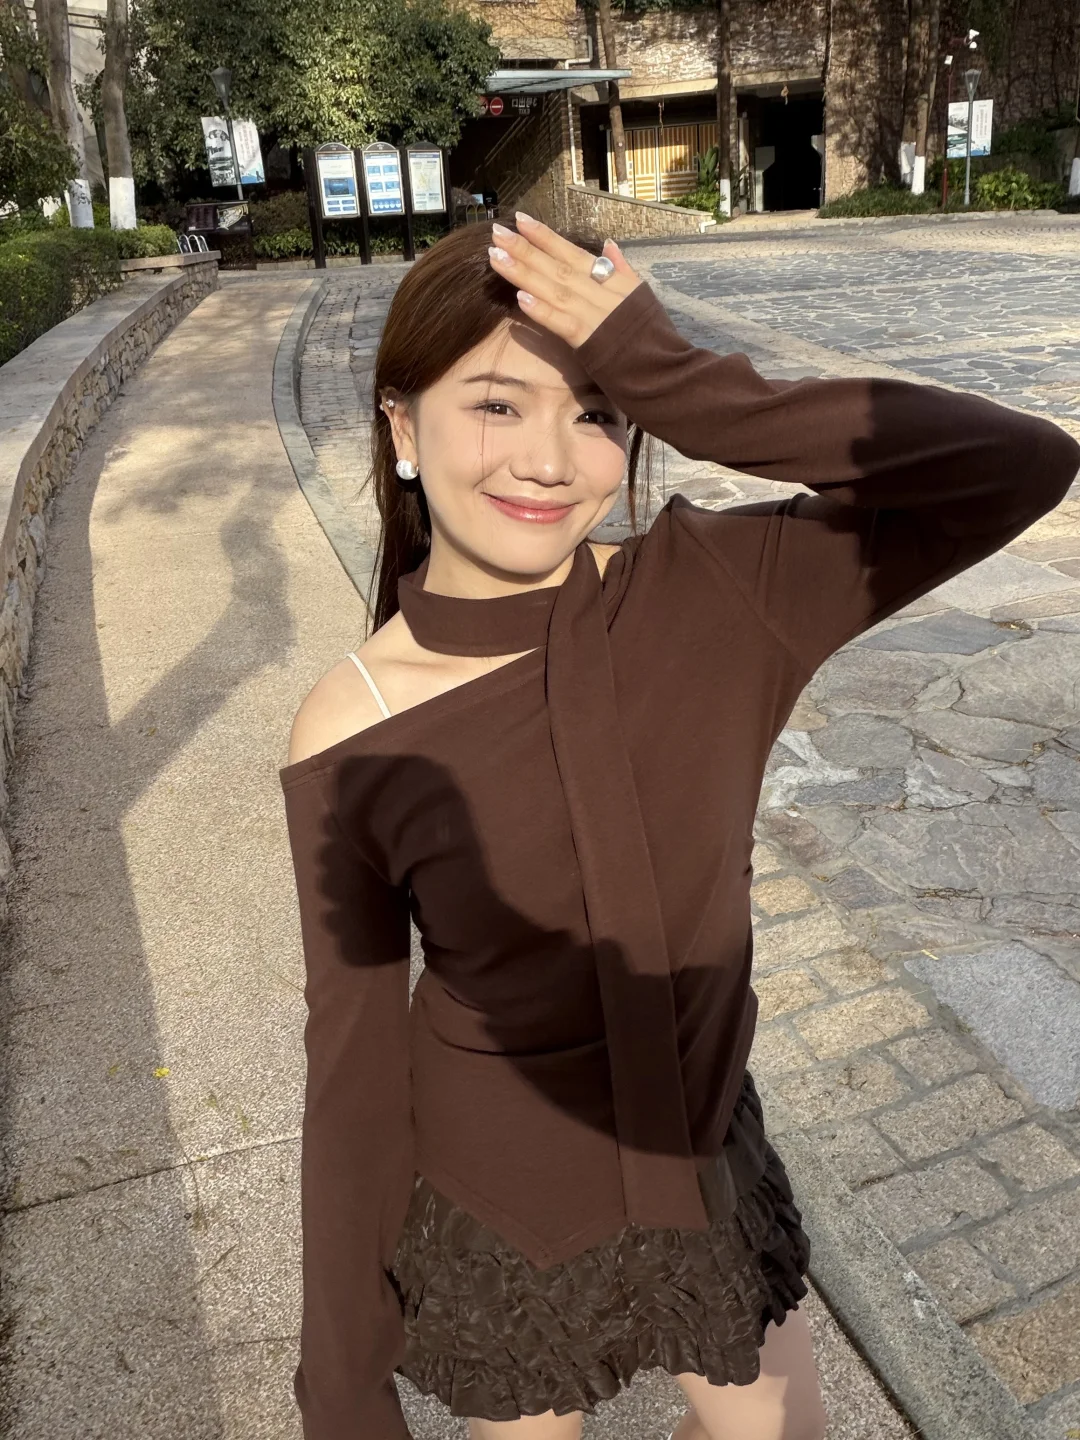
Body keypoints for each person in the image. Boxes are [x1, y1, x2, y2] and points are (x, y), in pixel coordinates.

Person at [279, 215, 1080, 1440]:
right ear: (401, 429)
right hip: (498, 1207)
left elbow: (1017, 462)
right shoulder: (352, 724)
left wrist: (669, 371)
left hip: (702, 1159)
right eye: (496, 405)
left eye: (596, 412)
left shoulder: (718, 594)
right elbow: (352, 1074)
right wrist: (342, 1395)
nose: (549, 460)